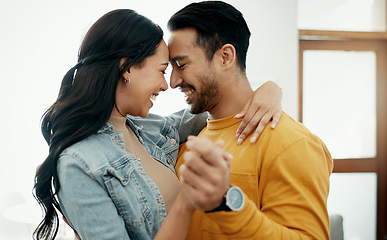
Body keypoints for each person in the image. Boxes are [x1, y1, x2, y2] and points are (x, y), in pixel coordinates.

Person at [33, 9, 282, 240]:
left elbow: (213, 106)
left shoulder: (148, 129)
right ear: (126, 68)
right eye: (163, 70)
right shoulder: (78, 164)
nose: (167, 84)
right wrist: (188, 199)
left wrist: (270, 90)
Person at [167, 1, 333, 239]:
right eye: (170, 67)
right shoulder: (184, 139)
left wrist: (226, 202)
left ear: (225, 57)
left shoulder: (293, 143)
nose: (173, 82)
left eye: (181, 65)